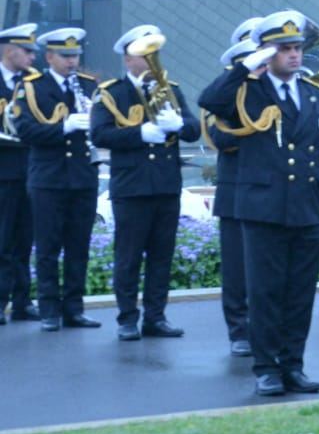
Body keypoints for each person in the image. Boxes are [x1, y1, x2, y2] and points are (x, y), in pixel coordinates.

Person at [198, 11, 319, 396]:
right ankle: (266, 367)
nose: (295, 55)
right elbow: (210, 100)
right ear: (267, 55)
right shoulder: (248, 92)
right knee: (266, 292)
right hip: (263, 209)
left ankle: (293, 364)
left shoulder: (311, 93)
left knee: (300, 294)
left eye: (297, 48)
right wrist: (245, 68)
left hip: (305, 208)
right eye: (285, 49)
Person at [90, 24, 201, 340]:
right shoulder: (112, 92)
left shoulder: (171, 89)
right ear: (128, 59)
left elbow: (194, 129)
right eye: (144, 53)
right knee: (128, 257)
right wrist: (139, 133)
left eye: (154, 52)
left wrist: (178, 124)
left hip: (166, 186)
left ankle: (156, 317)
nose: (152, 58)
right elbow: (99, 134)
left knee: (161, 256)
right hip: (132, 188)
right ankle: (127, 318)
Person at [9, 27, 101, 331]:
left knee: (79, 247)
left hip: (83, 177)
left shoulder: (88, 86)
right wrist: (65, 126)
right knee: (48, 248)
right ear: (50, 56)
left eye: (75, 56)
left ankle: (74, 308)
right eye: (65, 56)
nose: (72, 62)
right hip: (48, 179)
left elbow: (101, 128)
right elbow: (26, 132)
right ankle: (49, 309)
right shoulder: (32, 87)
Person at [200, 18, 260, 356]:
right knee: (237, 267)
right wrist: (257, 133)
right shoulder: (224, 90)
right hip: (236, 188)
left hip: (268, 189)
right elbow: (218, 136)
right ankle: (239, 329)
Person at [0, 23, 42, 324]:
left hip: (31, 169)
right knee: (1, 240)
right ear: (8, 50)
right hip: (2, 171)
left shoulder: (34, 82)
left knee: (24, 242)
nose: (31, 57)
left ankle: (22, 300)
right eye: (26, 51)